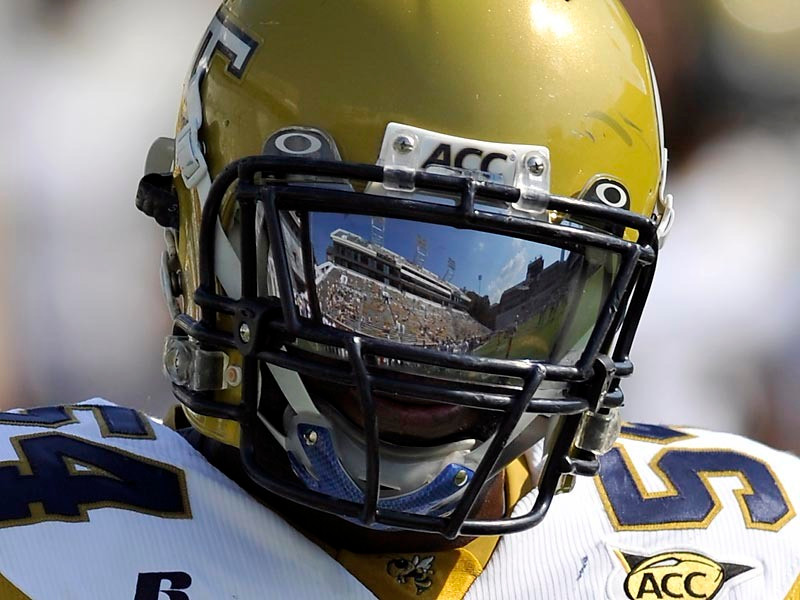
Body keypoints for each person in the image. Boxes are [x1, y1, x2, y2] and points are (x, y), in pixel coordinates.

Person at [1, 2, 798, 598]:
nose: (427, 372)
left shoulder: (765, 553)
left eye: (504, 265)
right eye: (357, 235)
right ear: (202, 229)